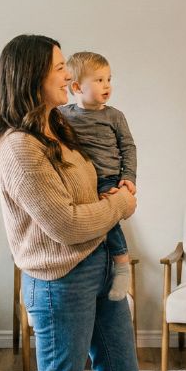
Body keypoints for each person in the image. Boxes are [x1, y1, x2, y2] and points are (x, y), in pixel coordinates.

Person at [0, 34, 139, 371]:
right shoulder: (20, 148)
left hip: (99, 263)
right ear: (32, 77)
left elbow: (85, 194)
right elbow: (66, 224)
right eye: (59, 68)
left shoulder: (58, 127)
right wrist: (122, 204)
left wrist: (114, 192)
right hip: (61, 279)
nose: (68, 76)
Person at [59, 51, 137, 301]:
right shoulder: (62, 115)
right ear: (77, 87)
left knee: (109, 219)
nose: (107, 86)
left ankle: (122, 264)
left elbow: (128, 147)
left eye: (109, 79)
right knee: (84, 223)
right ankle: (91, 268)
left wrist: (129, 177)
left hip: (107, 178)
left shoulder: (114, 116)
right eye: (99, 80)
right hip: (78, 181)